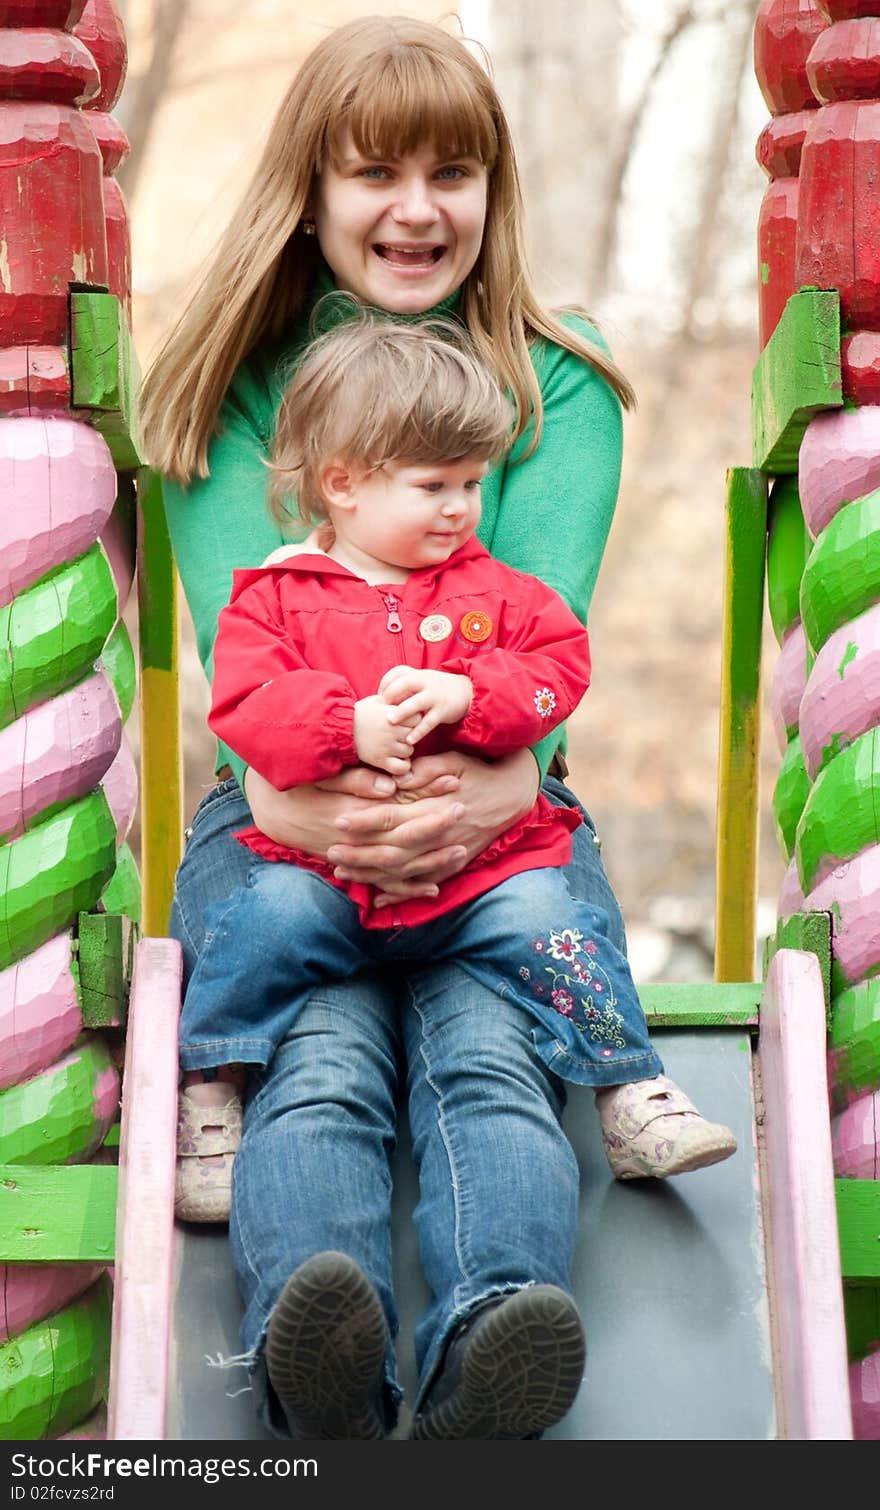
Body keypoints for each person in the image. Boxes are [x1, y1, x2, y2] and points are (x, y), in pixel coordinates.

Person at [142, 16, 735, 1441]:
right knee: (325, 1055)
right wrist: (314, 821)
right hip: (290, 817)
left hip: (501, 814)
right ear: (312, 184)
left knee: (486, 1054)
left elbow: (539, 633)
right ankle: (319, 1357)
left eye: (455, 171)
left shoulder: (553, 377)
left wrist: (481, 797)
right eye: (376, 172)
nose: (419, 208)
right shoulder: (228, 379)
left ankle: (490, 1345)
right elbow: (252, 649)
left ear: (495, 187)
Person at [175, 318, 734, 1236]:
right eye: (433, 486)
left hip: (474, 875)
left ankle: (629, 1087)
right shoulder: (275, 598)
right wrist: (341, 724)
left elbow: (560, 670)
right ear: (343, 483)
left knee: (554, 918)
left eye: (472, 483)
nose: (461, 508)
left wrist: (470, 696)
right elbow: (245, 704)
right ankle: (213, 1090)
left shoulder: (500, 595)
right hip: (326, 874)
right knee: (262, 921)